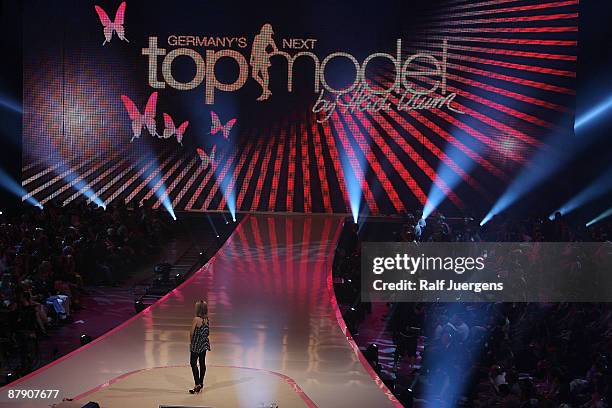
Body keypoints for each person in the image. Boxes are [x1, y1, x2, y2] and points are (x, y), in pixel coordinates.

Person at [250, 23, 278, 101]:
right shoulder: (257, 37)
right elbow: (253, 48)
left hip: (262, 58)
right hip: (256, 58)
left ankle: (265, 92)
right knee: (254, 75)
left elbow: (276, 50)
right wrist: (251, 59)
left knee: (264, 74)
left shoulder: (269, 39)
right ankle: (266, 90)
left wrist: (268, 54)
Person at [188, 300, 211, 394]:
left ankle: (197, 383)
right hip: (204, 343)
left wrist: (191, 342)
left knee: (193, 363)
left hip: (196, 344)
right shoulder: (206, 319)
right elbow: (207, 332)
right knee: (202, 363)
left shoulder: (196, 319)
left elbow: (191, 332)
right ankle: (201, 383)